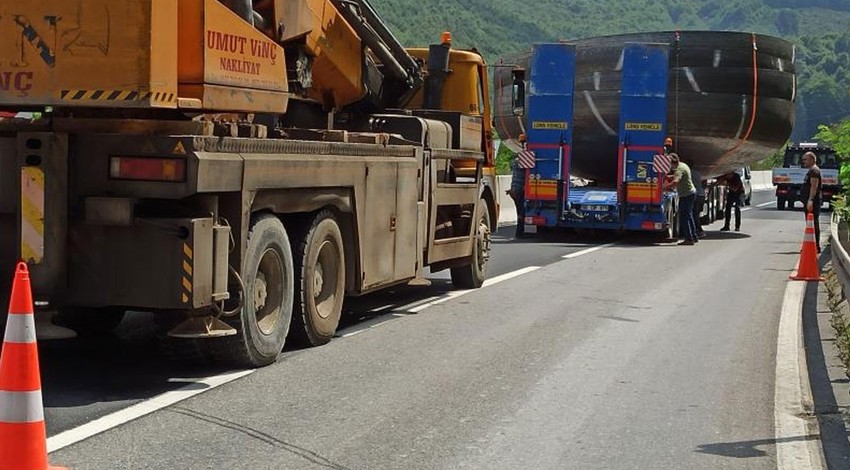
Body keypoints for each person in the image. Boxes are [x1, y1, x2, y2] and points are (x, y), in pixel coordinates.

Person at [664, 153, 698, 245]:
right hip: (691, 193)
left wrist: (665, 187)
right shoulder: (683, 165)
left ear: (671, 163)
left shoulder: (679, 170)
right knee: (689, 216)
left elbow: (676, 181)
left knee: (684, 217)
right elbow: (677, 177)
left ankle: (689, 239)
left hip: (686, 195)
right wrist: (668, 177)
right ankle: (694, 236)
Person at [507, 134, 528, 238]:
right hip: (519, 190)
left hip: (514, 190)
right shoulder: (524, 159)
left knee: (520, 211)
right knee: (522, 212)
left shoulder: (517, 159)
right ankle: (520, 233)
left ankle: (520, 233)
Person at [802, 151, 822, 253]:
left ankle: (816, 246)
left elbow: (814, 186)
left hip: (813, 202)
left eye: (805, 159)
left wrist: (810, 200)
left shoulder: (815, 171)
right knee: (810, 224)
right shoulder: (811, 171)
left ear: (812, 159)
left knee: (813, 223)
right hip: (809, 201)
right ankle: (811, 245)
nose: (803, 161)